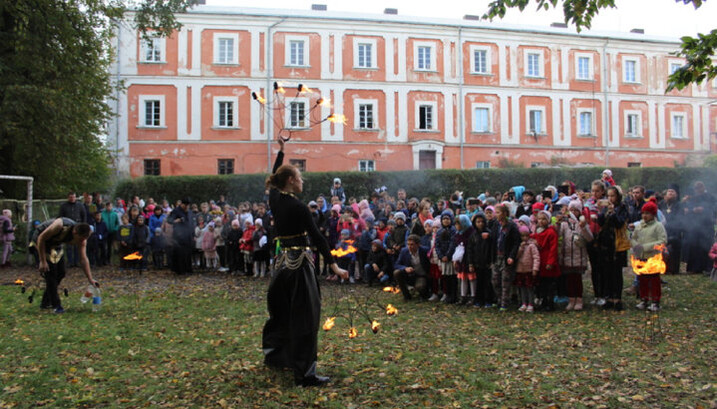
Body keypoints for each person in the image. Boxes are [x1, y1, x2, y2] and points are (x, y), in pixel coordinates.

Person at [262, 137, 348, 388]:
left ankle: (277, 356)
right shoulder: (299, 207)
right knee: (305, 318)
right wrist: (333, 265)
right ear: (290, 181)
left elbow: (272, 176)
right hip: (299, 267)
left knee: (282, 312)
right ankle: (305, 374)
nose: (302, 182)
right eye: (299, 178)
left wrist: (280, 152)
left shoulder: (275, 200)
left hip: (282, 266)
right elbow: (318, 237)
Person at [34, 217, 98, 313]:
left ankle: (46, 302)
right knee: (50, 273)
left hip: (55, 244)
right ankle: (56, 305)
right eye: (80, 239)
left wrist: (90, 279)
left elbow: (83, 259)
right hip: (40, 241)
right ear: (75, 232)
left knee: (61, 273)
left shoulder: (83, 238)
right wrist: (42, 261)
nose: (81, 242)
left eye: (84, 239)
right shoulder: (59, 225)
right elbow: (41, 238)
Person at [631, 199, 667, 311]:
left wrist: (646, 247)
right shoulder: (639, 226)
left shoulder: (658, 226)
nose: (645, 216)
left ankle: (655, 300)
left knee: (654, 280)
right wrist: (636, 246)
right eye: (643, 213)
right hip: (641, 257)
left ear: (653, 214)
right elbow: (633, 238)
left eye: (647, 213)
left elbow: (662, 241)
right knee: (642, 279)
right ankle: (644, 299)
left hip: (653, 257)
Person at [559, 201, 593, 311]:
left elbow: (589, 238)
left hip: (579, 256)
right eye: (571, 210)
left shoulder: (582, 224)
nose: (573, 212)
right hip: (567, 256)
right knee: (569, 279)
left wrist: (584, 227)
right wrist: (557, 224)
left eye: (576, 210)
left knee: (577, 279)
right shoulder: (564, 224)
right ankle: (571, 299)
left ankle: (579, 299)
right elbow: (558, 235)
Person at [491, 204, 520, 311]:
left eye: (498, 212)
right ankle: (499, 299)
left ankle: (504, 302)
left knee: (505, 281)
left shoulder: (511, 226)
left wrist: (512, 256)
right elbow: (493, 239)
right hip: (496, 256)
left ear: (504, 213)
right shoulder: (495, 225)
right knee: (495, 280)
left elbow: (516, 242)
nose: (496, 215)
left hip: (506, 256)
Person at [532, 210, 560, 311]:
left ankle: (550, 303)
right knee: (542, 284)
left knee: (550, 284)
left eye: (544, 219)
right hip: (540, 261)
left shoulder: (551, 232)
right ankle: (543, 301)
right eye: (539, 219)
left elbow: (553, 248)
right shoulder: (537, 231)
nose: (541, 221)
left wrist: (550, 262)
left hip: (548, 261)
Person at [466, 213, 494, 307]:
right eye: (478, 222)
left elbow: (492, 248)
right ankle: (479, 300)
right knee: (479, 282)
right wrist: (470, 263)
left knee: (488, 282)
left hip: (487, 262)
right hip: (477, 262)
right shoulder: (473, 236)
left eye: (482, 221)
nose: (480, 224)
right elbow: (470, 250)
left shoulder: (489, 233)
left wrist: (491, 261)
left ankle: (488, 300)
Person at [393, 234, 431, 301]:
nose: (410, 247)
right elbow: (396, 264)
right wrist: (405, 268)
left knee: (420, 287)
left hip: (421, 276)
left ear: (418, 244)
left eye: (412, 244)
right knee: (397, 272)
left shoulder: (425, 250)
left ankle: (424, 293)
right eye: (408, 244)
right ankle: (406, 295)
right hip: (410, 275)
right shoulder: (404, 251)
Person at [515, 225, 540, 313]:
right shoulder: (519, 245)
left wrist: (535, 268)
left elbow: (536, 257)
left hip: (529, 270)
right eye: (522, 236)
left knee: (529, 288)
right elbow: (516, 256)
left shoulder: (532, 246)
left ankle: (531, 304)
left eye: (526, 235)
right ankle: (524, 303)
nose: (524, 238)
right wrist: (521, 248)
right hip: (520, 270)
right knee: (522, 288)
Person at [167, 198, 195, 275]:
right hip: (179, 236)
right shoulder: (176, 211)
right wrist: (176, 221)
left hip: (188, 235)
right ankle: (180, 270)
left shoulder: (189, 212)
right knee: (180, 253)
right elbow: (169, 220)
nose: (186, 207)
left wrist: (193, 234)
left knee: (188, 253)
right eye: (185, 205)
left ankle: (188, 269)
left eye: (188, 205)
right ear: (181, 204)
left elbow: (191, 223)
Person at [59, 191, 86, 267]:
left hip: (78, 227)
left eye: (73, 197)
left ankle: (77, 261)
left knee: (78, 245)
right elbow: (60, 217)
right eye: (71, 197)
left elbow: (84, 215)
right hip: (68, 228)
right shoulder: (64, 206)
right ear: (68, 197)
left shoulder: (80, 205)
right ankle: (70, 261)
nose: (72, 199)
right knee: (69, 245)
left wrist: (83, 226)